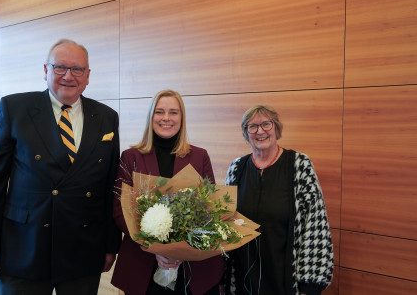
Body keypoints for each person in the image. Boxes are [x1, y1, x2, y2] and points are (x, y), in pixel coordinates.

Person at [0, 38, 121, 295]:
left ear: (87, 76)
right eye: (60, 67)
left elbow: (109, 187)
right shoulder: (15, 109)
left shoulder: (107, 117)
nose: (68, 76)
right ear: (45, 71)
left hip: (83, 249)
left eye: (77, 69)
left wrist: (110, 245)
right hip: (25, 247)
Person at [111, 89, 224, 295]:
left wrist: (180, 249)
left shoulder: (200, 156)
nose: (166, 118)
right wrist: (156, 248)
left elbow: (210, 208)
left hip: (193, 267)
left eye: (173, 112)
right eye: (159, 112)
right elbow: (120, 208)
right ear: (151, 117)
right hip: (143, 263)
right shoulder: (130, 157)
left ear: (182, 118)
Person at [224, 105, 334, 295]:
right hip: (242, 280)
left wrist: (310, 284)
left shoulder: (300, 165)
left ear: (276, 127)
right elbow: (224, 222)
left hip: (284, 280)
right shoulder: (236, 168)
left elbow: (316, 225)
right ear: (246, 133)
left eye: (266, 124)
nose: (260, 131)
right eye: (252, 126)